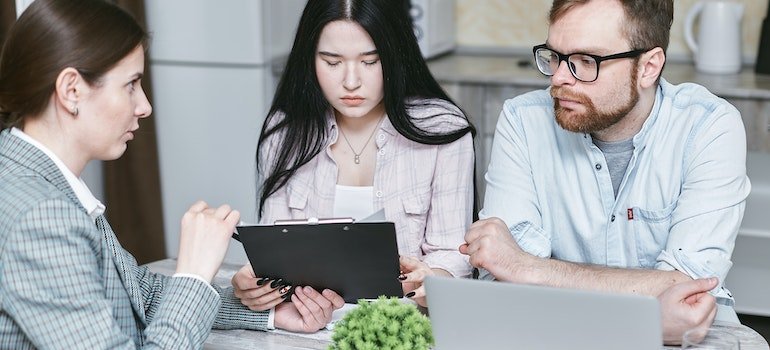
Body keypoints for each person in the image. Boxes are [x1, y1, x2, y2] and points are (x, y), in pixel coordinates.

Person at [0, 0, 343, 347]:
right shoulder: (41, 217)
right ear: (71, 90)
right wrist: (194, 273)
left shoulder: (29, 175)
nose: (144, 106)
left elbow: (140, 295)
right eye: (131, 84)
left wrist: (267, 313)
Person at [459, 0, 750, 341]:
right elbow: (502, 279)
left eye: (586, 61)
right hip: (553, 334)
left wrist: (527, 268)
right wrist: (645, 308)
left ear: (648, 67)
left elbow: (688, 290)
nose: (558, 78)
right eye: (554, 56)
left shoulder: (708, 126)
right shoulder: (523, 121)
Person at [231, 0, 476, 310]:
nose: (350, 82)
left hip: (404, 327)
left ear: (395, 55)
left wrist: (434, 277)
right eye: (332, 62)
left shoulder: (443, 129)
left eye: (370, 61)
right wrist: (256, 285)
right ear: (309, 60)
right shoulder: (284, 132)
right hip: (305, 329)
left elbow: (454, 253)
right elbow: (273, 252)